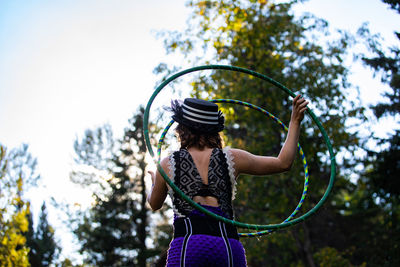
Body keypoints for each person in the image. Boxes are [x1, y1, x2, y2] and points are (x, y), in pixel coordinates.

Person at [148, 95, 309, 267]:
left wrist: (154, 182)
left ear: (182, 129)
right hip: (227, 247)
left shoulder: (166, 164)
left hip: (188, 247)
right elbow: (283, 163)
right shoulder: (233, 157)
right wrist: (294, 122)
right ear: (214, 130)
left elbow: (154, 203)